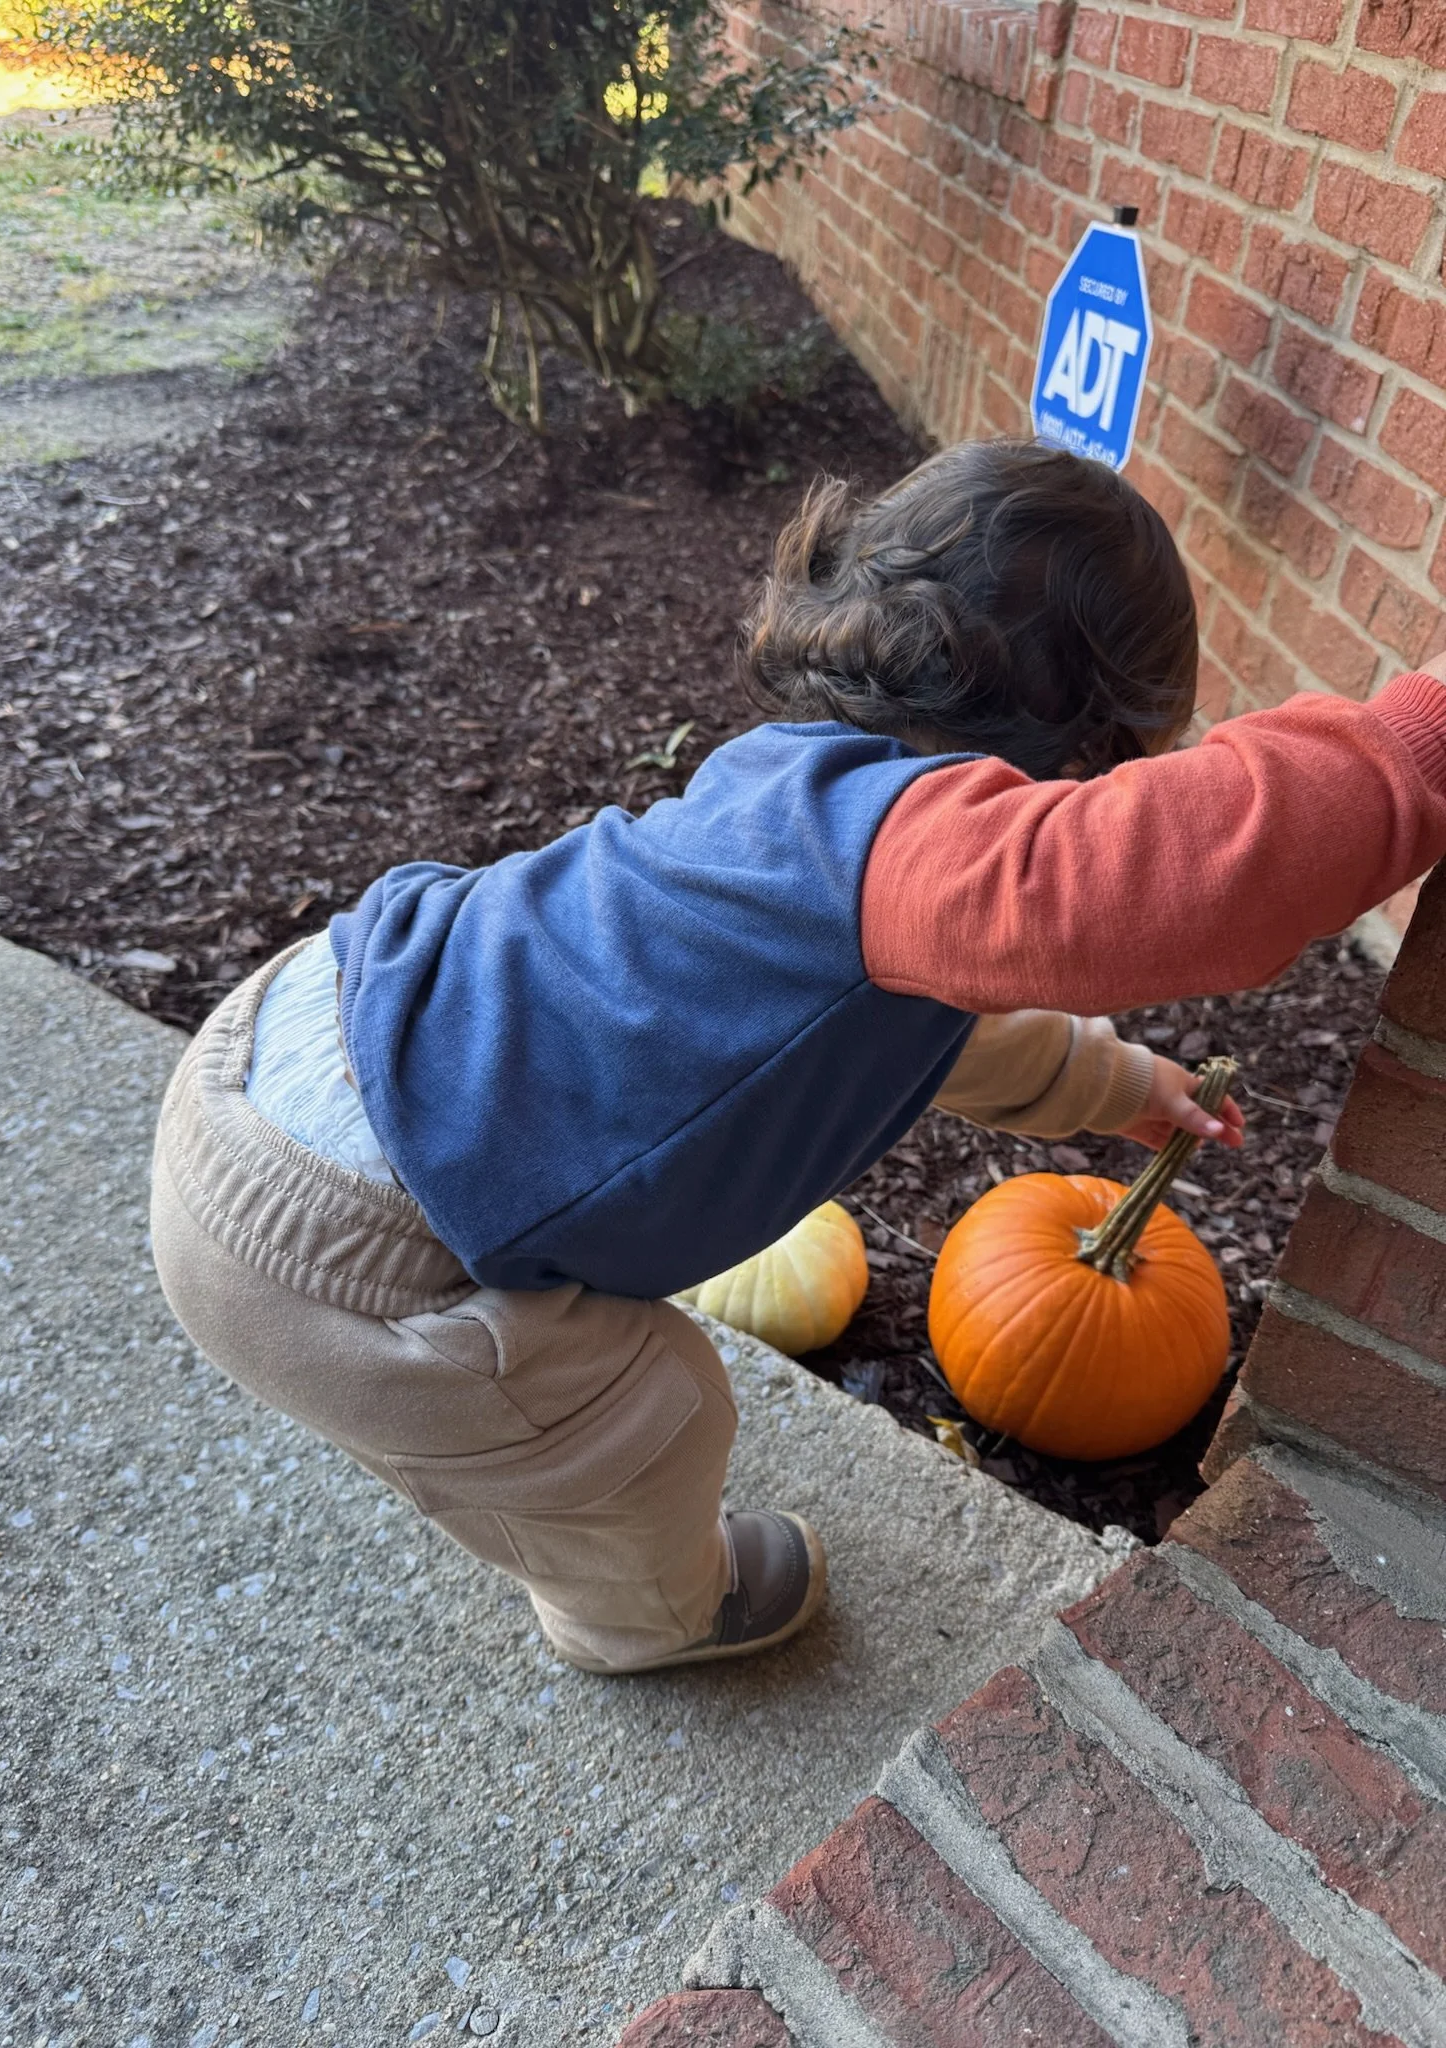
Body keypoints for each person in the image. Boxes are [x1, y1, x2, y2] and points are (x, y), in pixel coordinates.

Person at [150, 439, 1446, 1676]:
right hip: (347, 1241)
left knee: (565, 1399)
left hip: (315, 1026)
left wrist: (1120, 1088)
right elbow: (1161, 884)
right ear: (1105, 760)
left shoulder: (800, 802)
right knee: (634, 1420)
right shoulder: (902, 852)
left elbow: (960, 1031)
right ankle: (642, 1623)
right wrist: (1415, 742)